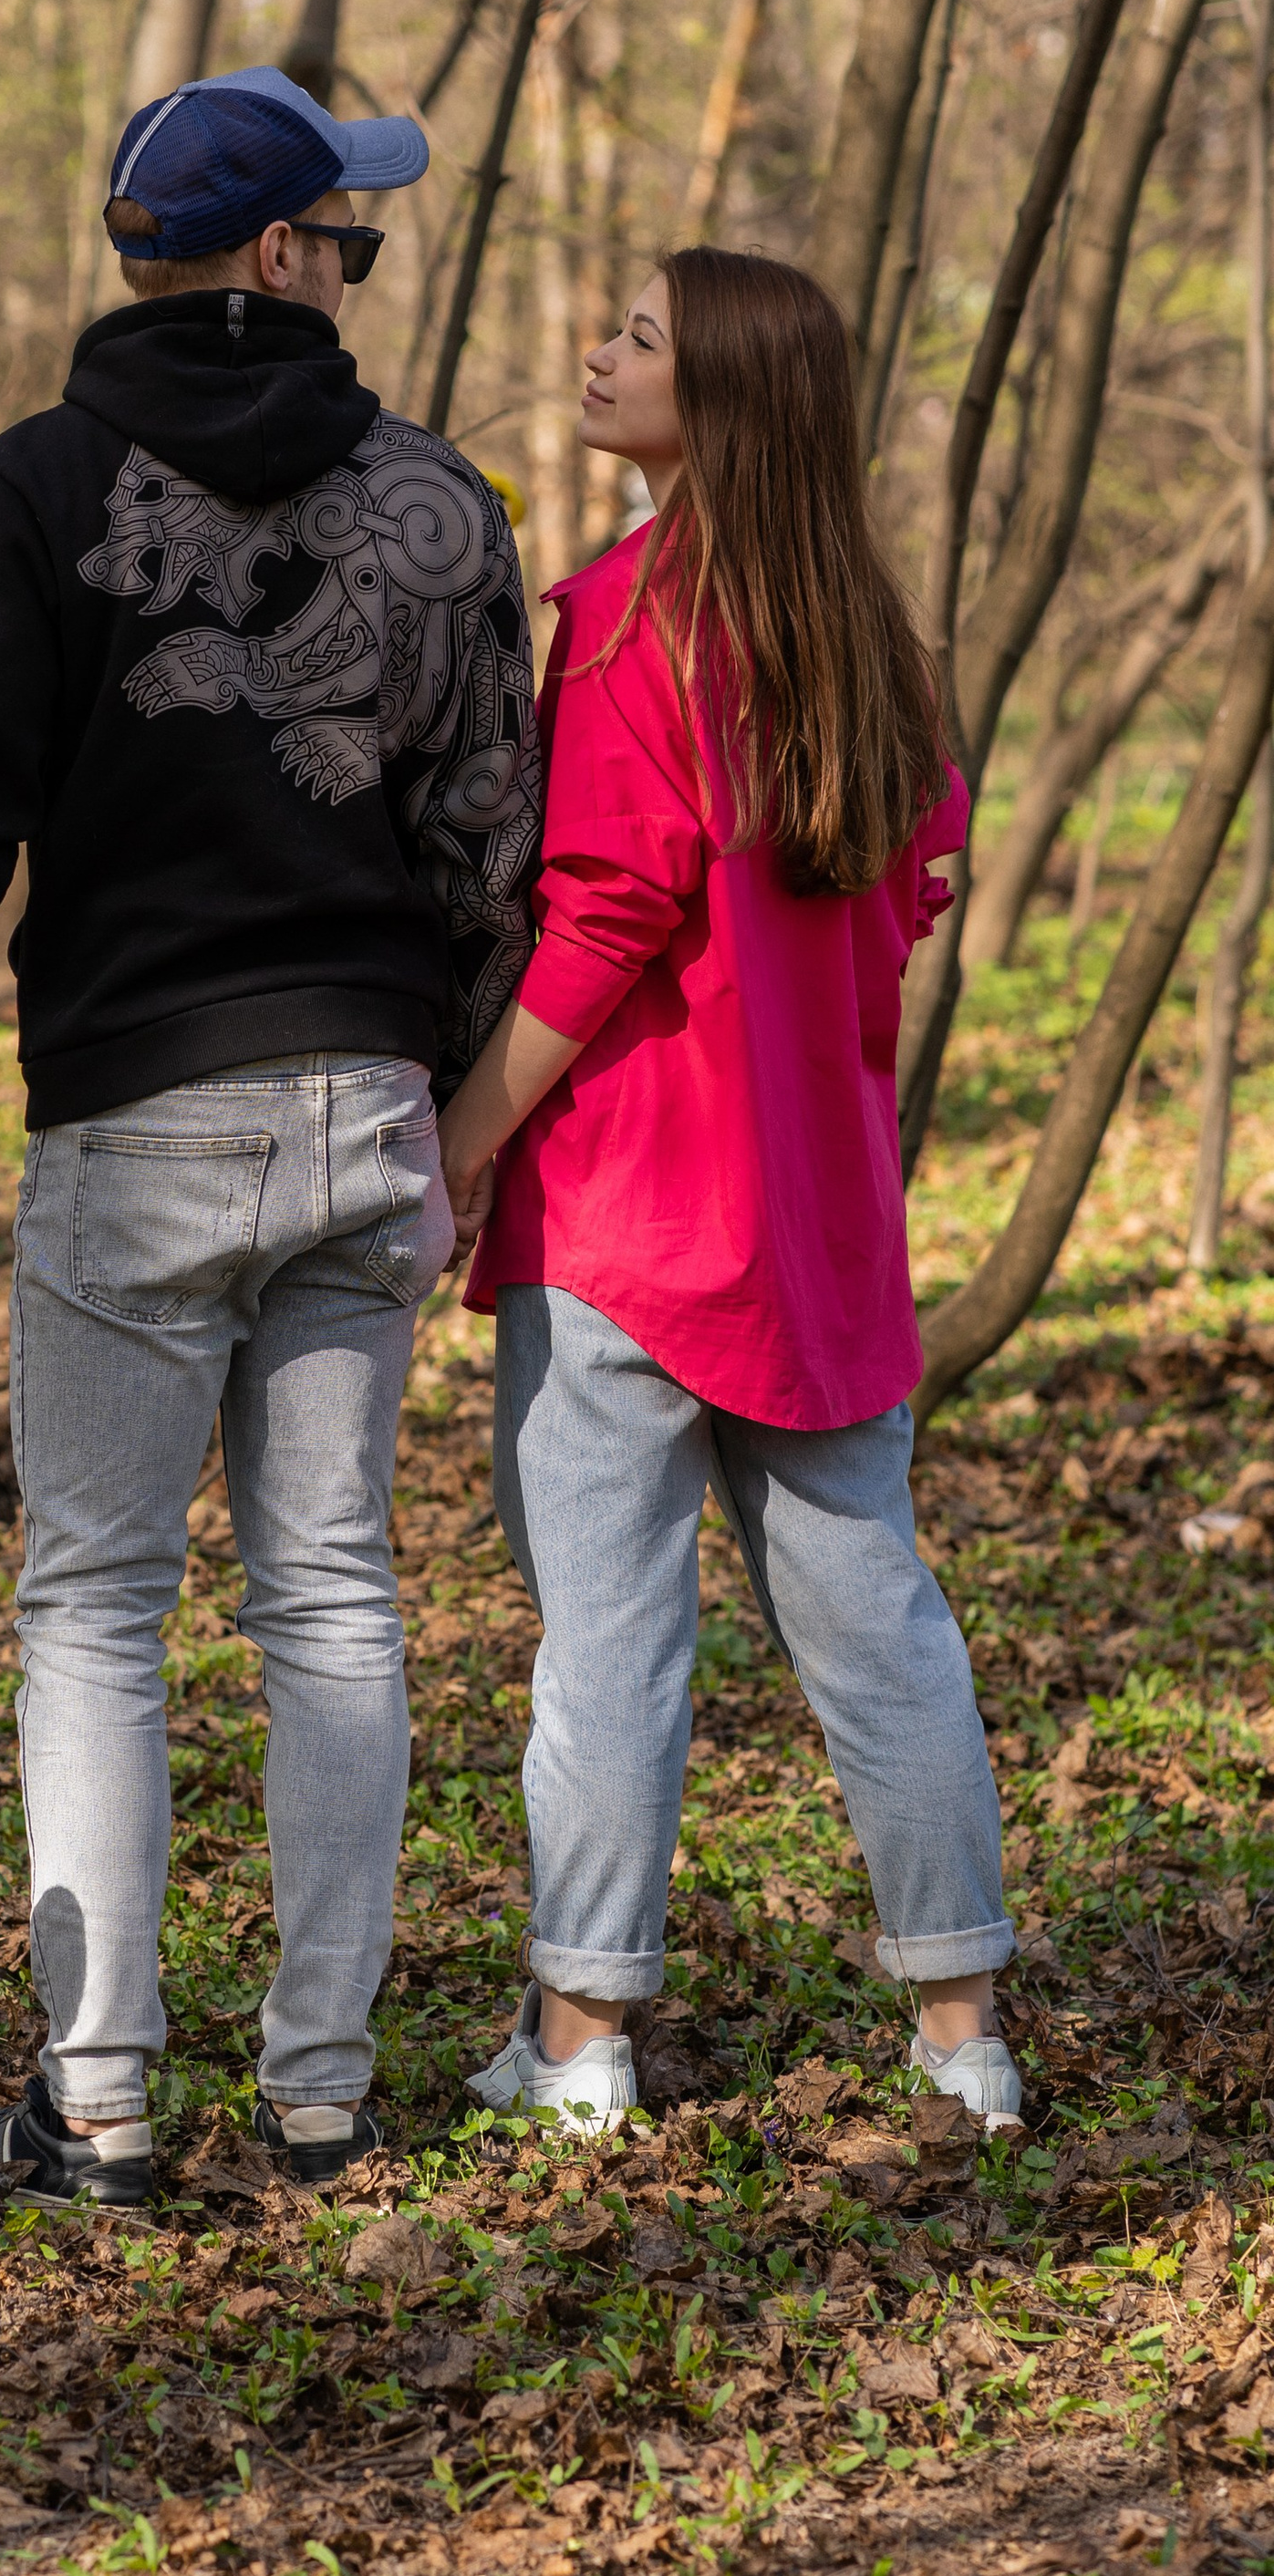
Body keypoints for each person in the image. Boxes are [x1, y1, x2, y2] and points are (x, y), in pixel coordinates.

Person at [0, 67, 542, 2203]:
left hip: (139, 1114)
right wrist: (447, 1093)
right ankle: (317, 2094)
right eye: (350, 241)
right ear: (278, 260)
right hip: (369, 1106)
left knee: (97, 1606)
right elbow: (495, 837)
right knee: (330, 1600)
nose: (362, 275)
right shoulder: (444, 506)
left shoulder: (34, 487)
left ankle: (93, 2104)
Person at [438, 246, 1018, 2136]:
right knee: (880, 1627)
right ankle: (962, 2048)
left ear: (729, 402)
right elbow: (912, 877)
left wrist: (466, 1132)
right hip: (818, 1222)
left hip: (623, 1206)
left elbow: (604, 904)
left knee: (606, 1640)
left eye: (637, 341)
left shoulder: (620, 618)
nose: (597, 355)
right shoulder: (872, 638)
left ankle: (583, 2049)